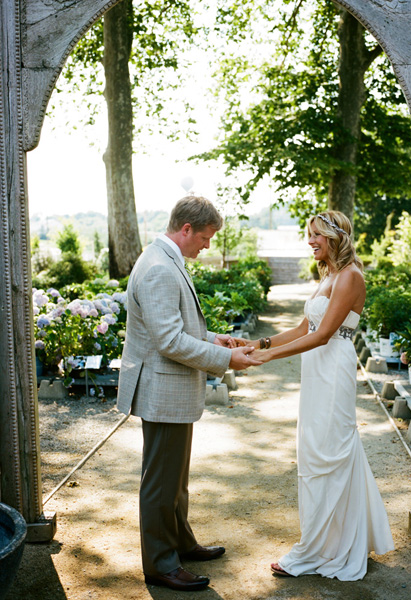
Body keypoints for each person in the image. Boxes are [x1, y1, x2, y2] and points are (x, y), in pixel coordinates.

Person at [117, 195, 262, 592]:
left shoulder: (165, 259)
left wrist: (219, 340)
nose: (207, 245)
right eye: (205, 237)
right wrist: (226, 361)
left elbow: (179, 326)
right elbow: (169, 341)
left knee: (175, 479)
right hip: (162, 390)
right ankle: (161, 564)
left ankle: (180, 543)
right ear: (185, 230)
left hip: (170, 390)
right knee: (162, 481)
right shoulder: (159, 268)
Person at [248, 210, 394, 581]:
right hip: (316, 371)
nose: (309, 241)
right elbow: (303, 327)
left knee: (328, 451)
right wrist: (257, 342)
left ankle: (314, 551)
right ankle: (333, 541)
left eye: (315, 235)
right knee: (314, 450)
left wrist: (268, 356)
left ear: (334, 237)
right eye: (308, 235)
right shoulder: (328, 275)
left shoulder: (350, 277)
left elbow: (322, 335)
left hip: (332, 370)